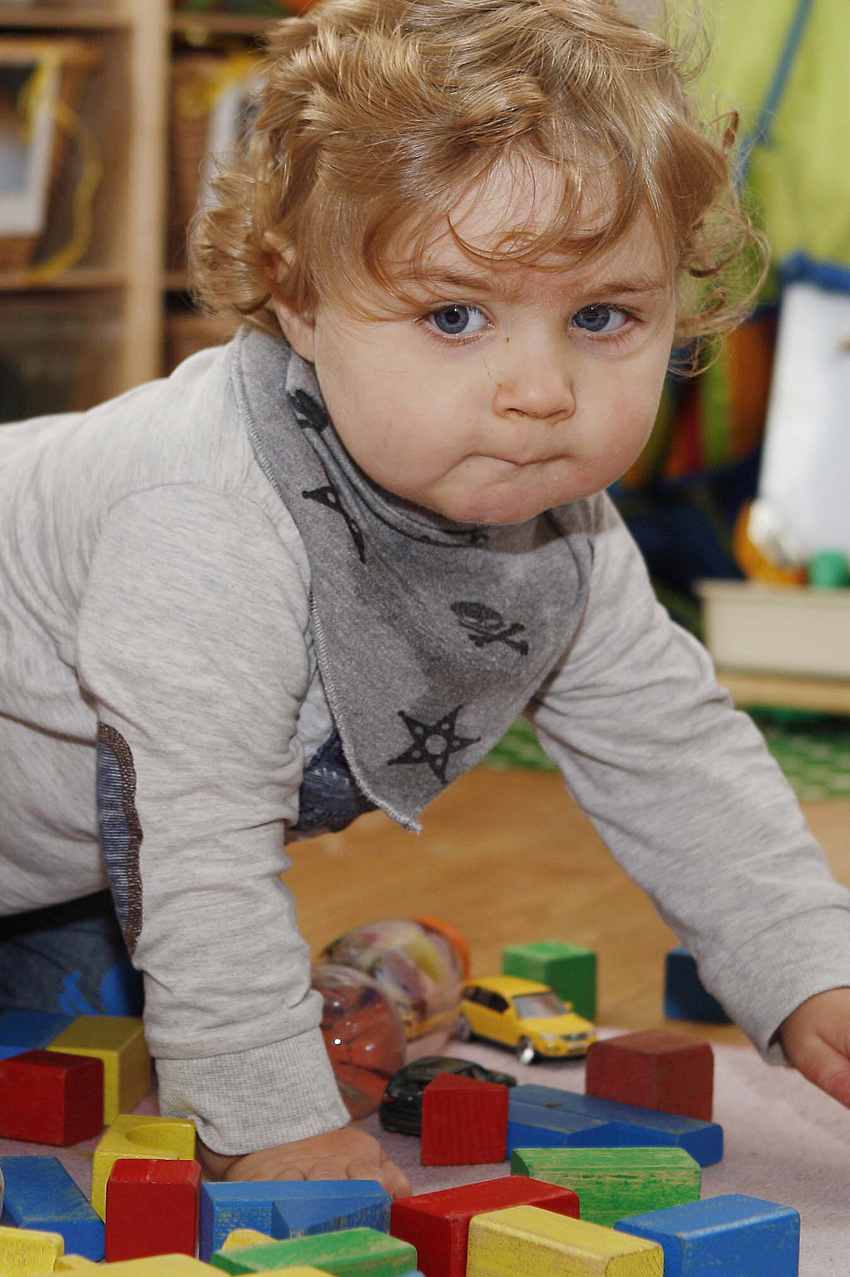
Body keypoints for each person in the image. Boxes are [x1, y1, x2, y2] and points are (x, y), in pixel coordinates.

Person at [2, 0, 850, 1195]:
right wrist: (267, 1119)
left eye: (601, 316)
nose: (540, 390)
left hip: (60, 867)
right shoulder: (204, 510)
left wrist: (813, 963)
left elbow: (671, 747)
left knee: (80, 1066)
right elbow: (191, 835)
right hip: (116, 832)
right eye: (454, 316)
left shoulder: (558, 522)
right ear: (298, 302)